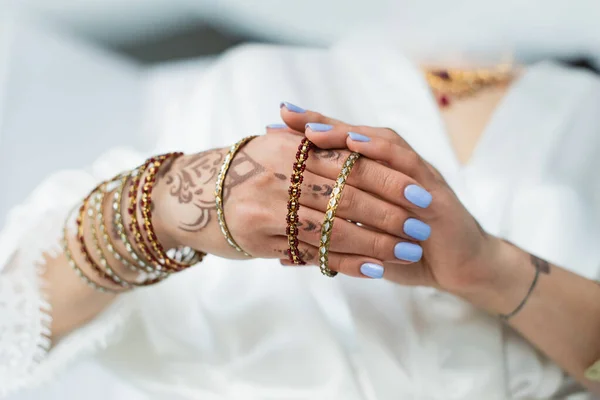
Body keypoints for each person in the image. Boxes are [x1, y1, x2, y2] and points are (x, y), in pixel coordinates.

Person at [2, 33, 600, 399]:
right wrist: (159, 205)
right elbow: (16, 321)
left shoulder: (581, 115)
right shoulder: (246, 83)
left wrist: (494, 269)